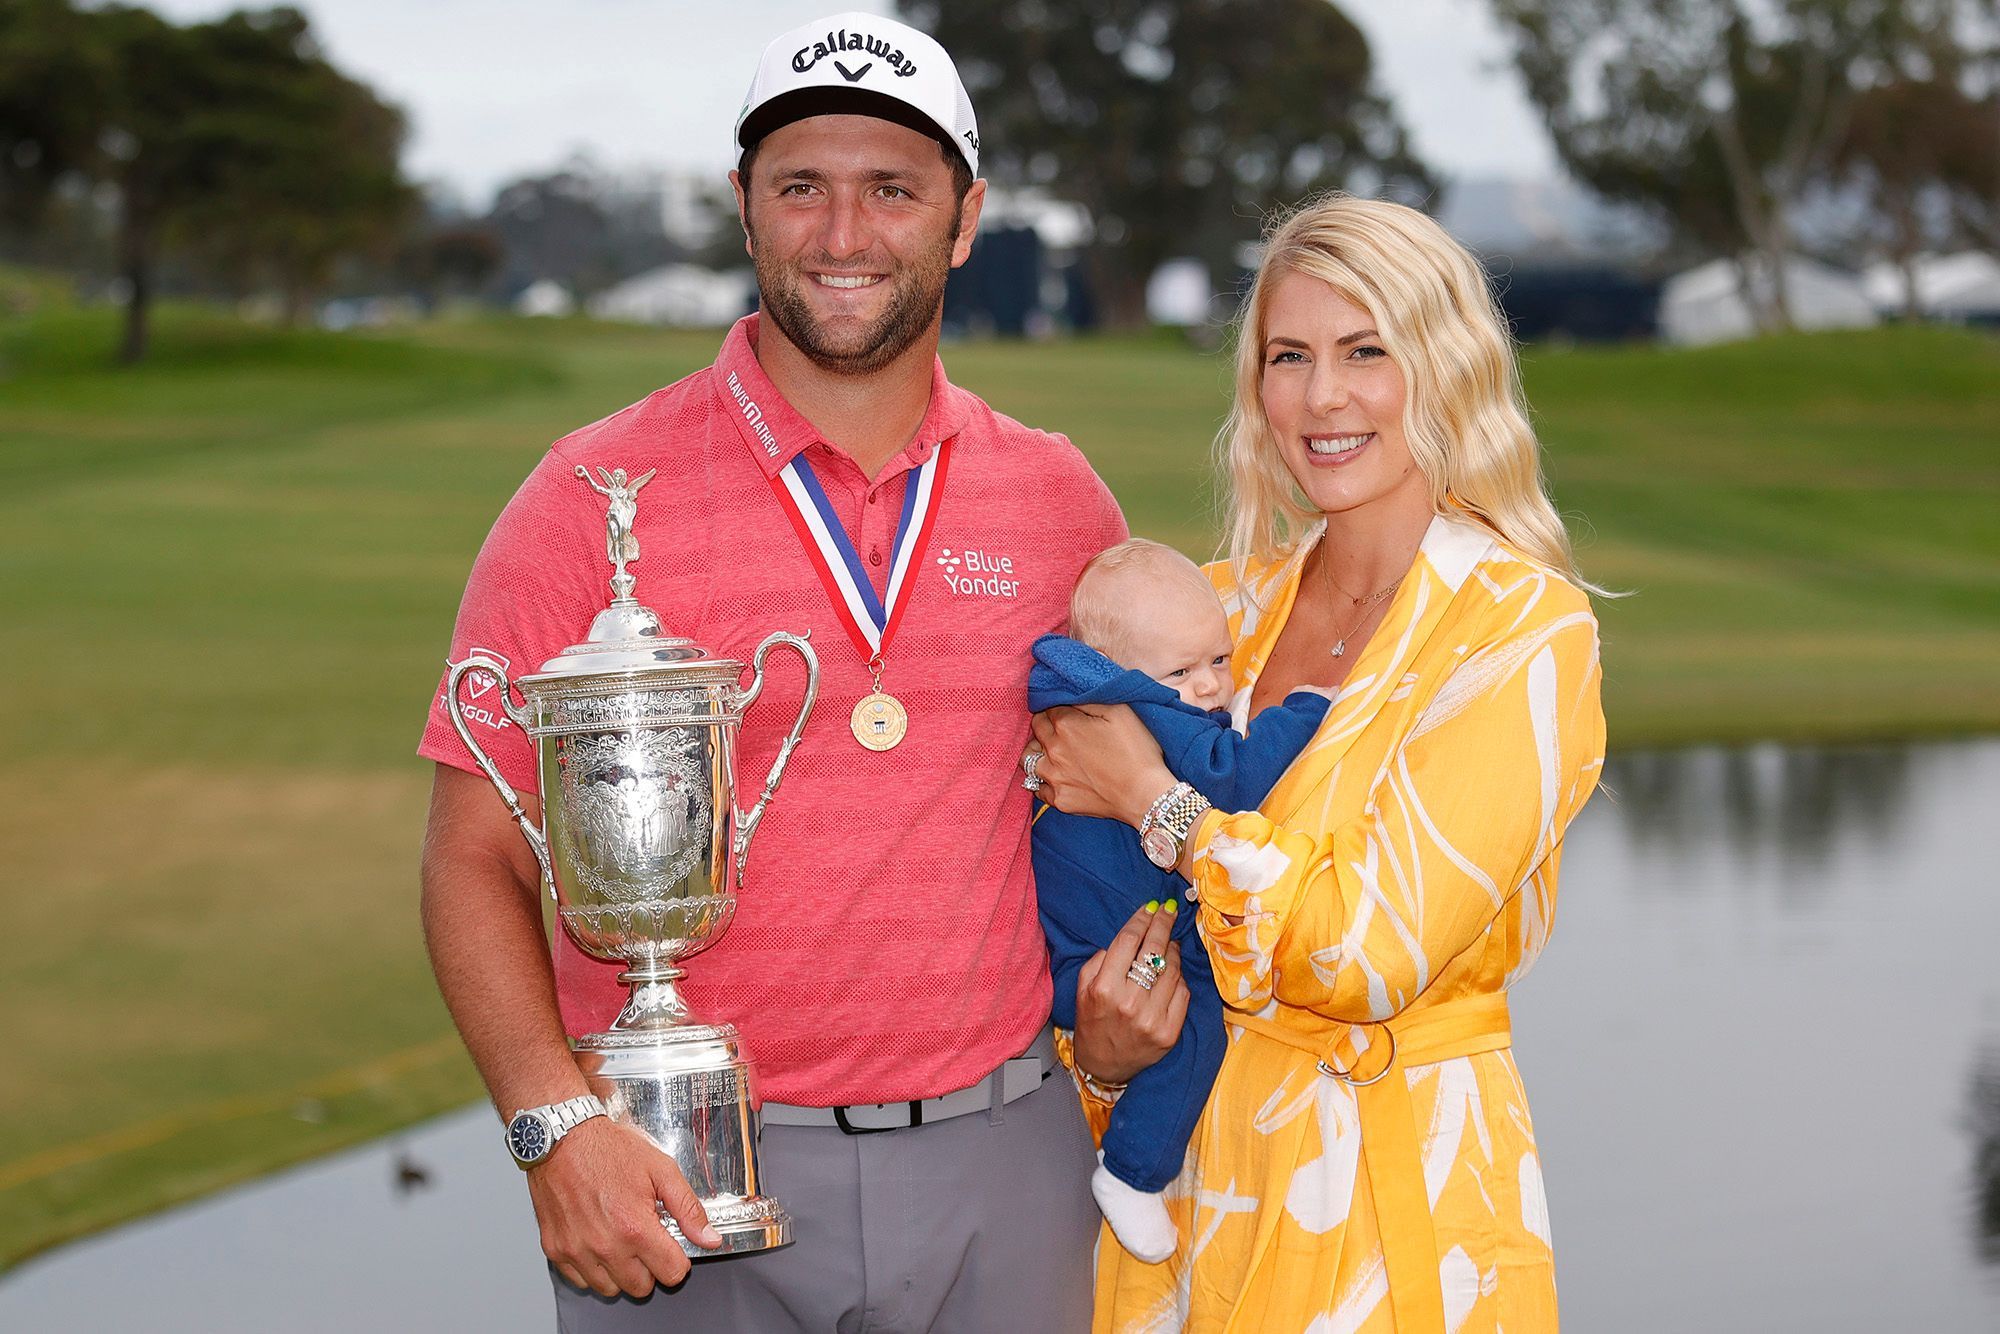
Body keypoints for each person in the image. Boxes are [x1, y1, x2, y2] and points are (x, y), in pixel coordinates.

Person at [417, 13, 1135, 1331]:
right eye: (801, 186)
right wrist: (548, 1123)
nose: (844, 233)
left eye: (893, 190)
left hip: (1007, 1157)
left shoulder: (1057, 499)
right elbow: (475, 853)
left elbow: (1118, 794)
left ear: (965, 219)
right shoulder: (590, 496)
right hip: (679, 1184)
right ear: (745, 211)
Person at [1030, 194, 1608, 1333]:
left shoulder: (1521, 631)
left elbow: (1363, 945)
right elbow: (1069, 853)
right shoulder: (1219, 610)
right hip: (1182, 1192)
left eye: (1364, 352)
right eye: (1286, 355)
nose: (1320, 395)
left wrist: (1154, 798)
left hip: (1394, 1216)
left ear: (1441, 367)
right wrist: (1099, 1053)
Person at [1025, 538, 1332, 1263]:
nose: (1207, 689)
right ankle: (1133, 1173)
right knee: (1198, 1030)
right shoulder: (1148, 709)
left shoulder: (1087, 691)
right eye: (1182, 671)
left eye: (1220, 661)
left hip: (1068, 932)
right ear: (1125, 668)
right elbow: (1230, 782)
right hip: (1126, 919)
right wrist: (1306, 712)